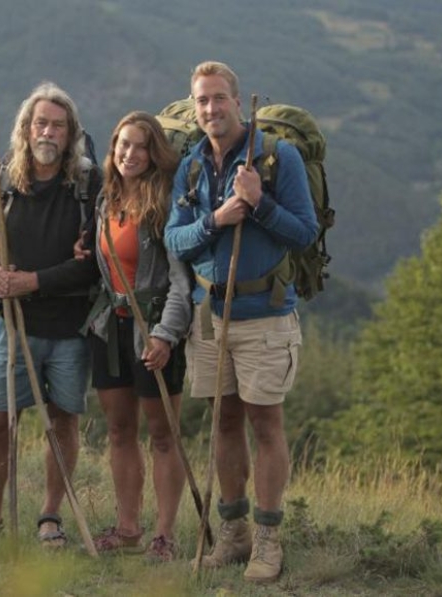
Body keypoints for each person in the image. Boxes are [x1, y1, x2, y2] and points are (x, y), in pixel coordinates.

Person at [164, 62, 318, 582]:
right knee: (224, 422)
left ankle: (269, 540)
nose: (211, 109)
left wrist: (259, 204)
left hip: (265, 315)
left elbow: (304, 233)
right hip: (210, 317)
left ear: (237, 100)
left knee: (264, 424)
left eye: (219, 99)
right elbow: (174, 240)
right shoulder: (189, 166)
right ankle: (233, 535)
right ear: (193, 106)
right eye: (202, 101)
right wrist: (217, 219)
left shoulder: (279, 157)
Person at [0, 81, 102, 551]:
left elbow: (95, 262)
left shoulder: (89, 186)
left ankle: (50, 516)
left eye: (57, 124)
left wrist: (31, 281)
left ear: (71, 132)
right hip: (13, 328)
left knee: (62, 424)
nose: (47, 132)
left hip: (71, 328)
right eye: (40, 123)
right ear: (25, 129)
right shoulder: (5, 181)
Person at [81, 111, 191, 562]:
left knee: (163, 435)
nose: (129, 154)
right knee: (120, 430)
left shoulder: (166, 206)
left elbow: (181, 284)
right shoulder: (106, 202)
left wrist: (165, 336)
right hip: (111, 328)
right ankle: (128, 528)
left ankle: (164, 536)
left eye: (140, 146)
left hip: (155, 330)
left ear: (154, 153)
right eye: (122, 144)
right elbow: (104, 266)